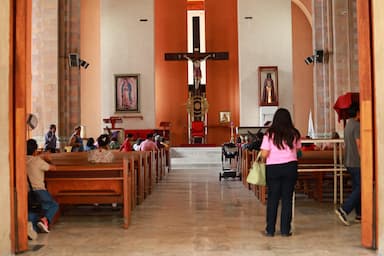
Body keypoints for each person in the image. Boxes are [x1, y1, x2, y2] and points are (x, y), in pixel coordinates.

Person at [260, 108, 301, 237]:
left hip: (273, 168)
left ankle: (270, 230)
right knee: (287, 199)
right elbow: (298, 151)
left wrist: (262, 156)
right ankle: (285, 230)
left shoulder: (269, 134)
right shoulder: (294, 133)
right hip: (290, 167)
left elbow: (265, 154)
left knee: (273, 199)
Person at [335, 103, 361, 225]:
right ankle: (344, 209)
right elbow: (359, 144)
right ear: (358, 113)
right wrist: (364, 159)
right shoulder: (357, 126)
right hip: (357, 162)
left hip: (349, 161)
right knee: (361, 188)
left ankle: (359, 214)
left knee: (357, 187)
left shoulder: (348, 125)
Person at [27, 139, 59, 233]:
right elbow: (54, 168)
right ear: (35, 150)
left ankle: (32, 228)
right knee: (53, 205)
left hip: (27, 191)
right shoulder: (37, 161)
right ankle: (44, 220)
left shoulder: (21, 160)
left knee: (33, 209)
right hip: (40, 191)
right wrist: (49, 160)